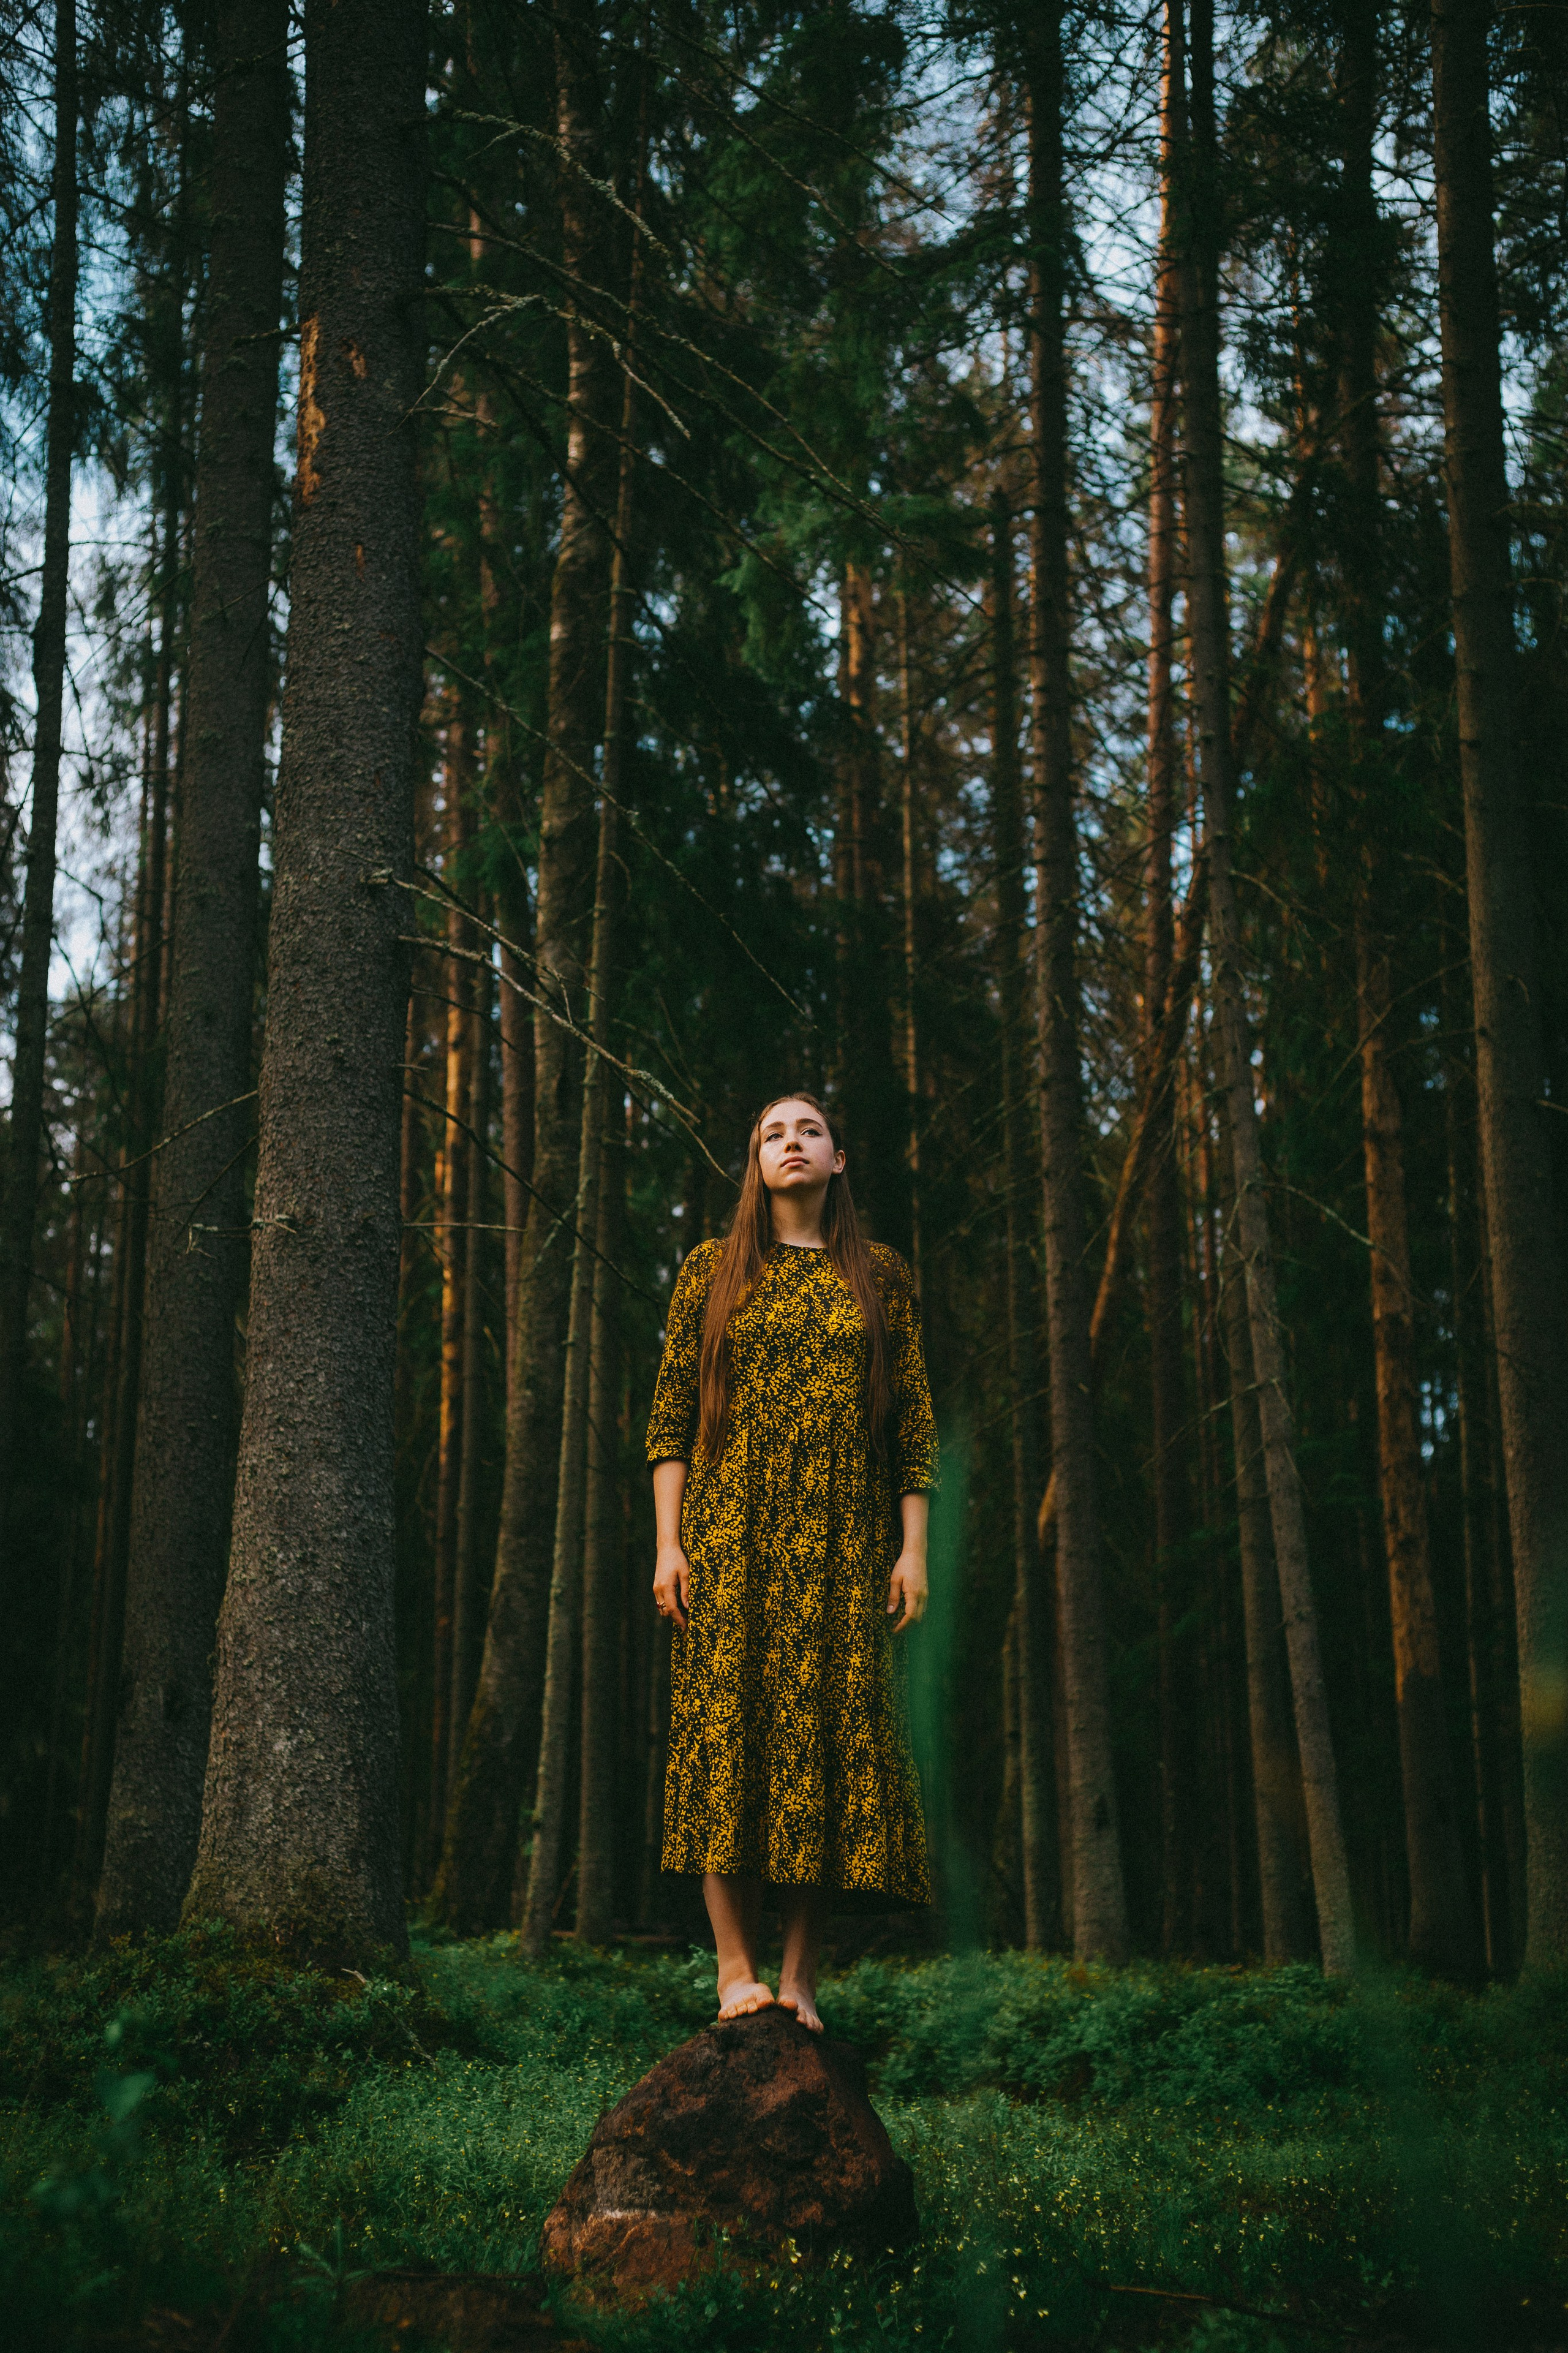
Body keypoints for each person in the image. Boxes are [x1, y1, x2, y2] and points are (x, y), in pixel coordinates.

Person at [646, 1092, 938, 2033]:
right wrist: (669, 1541)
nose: (791, 1143)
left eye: (808, 1129)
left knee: (826, 1752)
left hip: (844, 1548)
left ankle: (800, 1979)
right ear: (756, 1163)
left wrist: (913, 1549)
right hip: (730, 1543)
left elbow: (913, 1425)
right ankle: (735, 1972)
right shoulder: (711, 1270)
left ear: (839, 1158)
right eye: (772, 1132)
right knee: (724, 1742)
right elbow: (669, 1420)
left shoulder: (881, 1276)